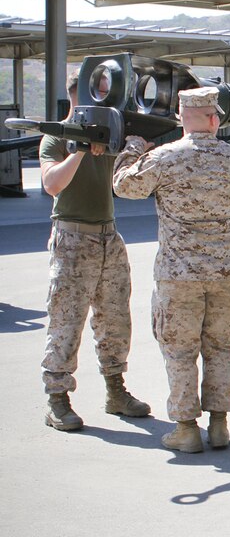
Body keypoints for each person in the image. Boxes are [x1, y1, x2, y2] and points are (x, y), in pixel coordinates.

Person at [113, 87, 230, 453]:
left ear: (180, 117)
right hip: (226, 272)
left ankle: (186, 428)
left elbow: (124, 187)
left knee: (180, 350)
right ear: (214, 118)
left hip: (179, 274)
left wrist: (133, 148)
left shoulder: (165, 157)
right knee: (222, 347)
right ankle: (219, 425)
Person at [39, 72, 150, 432]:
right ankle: (57, 399)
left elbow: (129, 182)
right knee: (66, 321)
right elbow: (52, 184)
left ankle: (115, 391)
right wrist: (81, 151)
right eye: (101, 95)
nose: (108, 102)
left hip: (108, 237)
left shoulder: (110, 132)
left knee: (115, 320)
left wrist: (134, 146)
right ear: (79, 96)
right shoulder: (57, 135)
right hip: (72, 238)